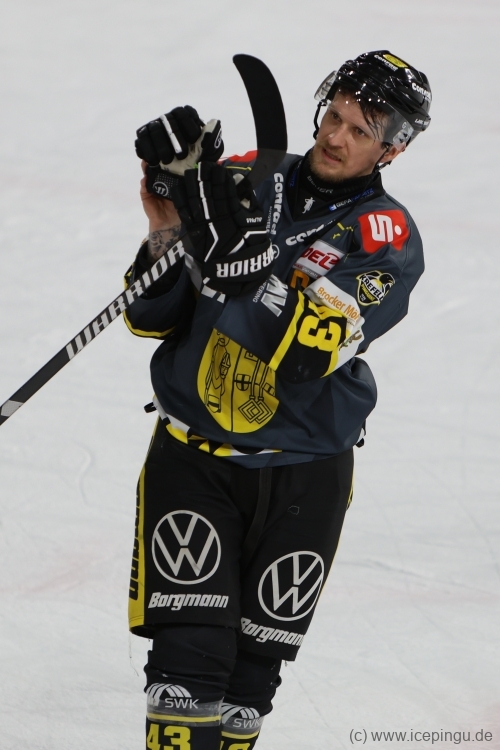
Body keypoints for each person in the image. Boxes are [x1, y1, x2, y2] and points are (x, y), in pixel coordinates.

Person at [125, 50, 432, 750]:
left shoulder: (385, 235)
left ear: (392, 149)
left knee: (244, 696)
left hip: (304, 477)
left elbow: (305, 357)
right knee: (185, 675)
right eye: (333, 116)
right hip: (192, 463)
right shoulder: (242, 179)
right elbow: (150, 317)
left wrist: (252, 265)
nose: (335, 136)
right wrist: (169, 222)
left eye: (360, 130)